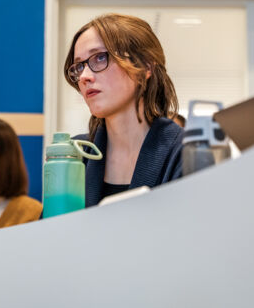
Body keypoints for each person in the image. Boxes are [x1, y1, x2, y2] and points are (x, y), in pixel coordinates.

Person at [64, 13, 183, 207]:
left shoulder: (184, 152)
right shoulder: (76, 154)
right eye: (79, 66)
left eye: (100, 58)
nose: (84, 76)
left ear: (145, 66)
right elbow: (52, 234)